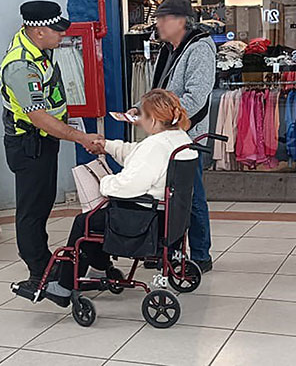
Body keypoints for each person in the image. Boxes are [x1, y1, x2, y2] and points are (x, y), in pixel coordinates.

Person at [45, 89, 198, 307]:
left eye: (141, 116)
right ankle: (100, 268)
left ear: (153, 120)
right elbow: (137, 153)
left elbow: (130, 185)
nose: (138, 121)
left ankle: (64, 285)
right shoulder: (179, 139)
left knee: (86, 222)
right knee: (99, 218)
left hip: (144, 220)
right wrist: (106, 145)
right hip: (170, 217)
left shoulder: (155, 146)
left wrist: (105, 183)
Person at [0, 0, 104, 293]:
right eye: (57, 31)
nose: (62, 36)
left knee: (42, 203)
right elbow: (39, 117)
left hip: (44, 141)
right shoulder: (21, 65)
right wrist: (80, 137)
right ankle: (39, 270)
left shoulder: (40, 49)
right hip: (29, 143)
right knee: (32, 209)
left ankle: (46, 263)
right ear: (38, 30)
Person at [128, 0, 216, 272]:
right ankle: (169, 251)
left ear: (181, 21)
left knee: (191, 197)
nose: (158, 24)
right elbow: (160, 92)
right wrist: (142, 109)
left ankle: (201, 255)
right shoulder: (170, 49)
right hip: (165, 136)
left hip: (186, 138)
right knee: (165, 195)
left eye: (163, 19)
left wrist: (164, 121)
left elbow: (196, 98)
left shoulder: (199, 49)